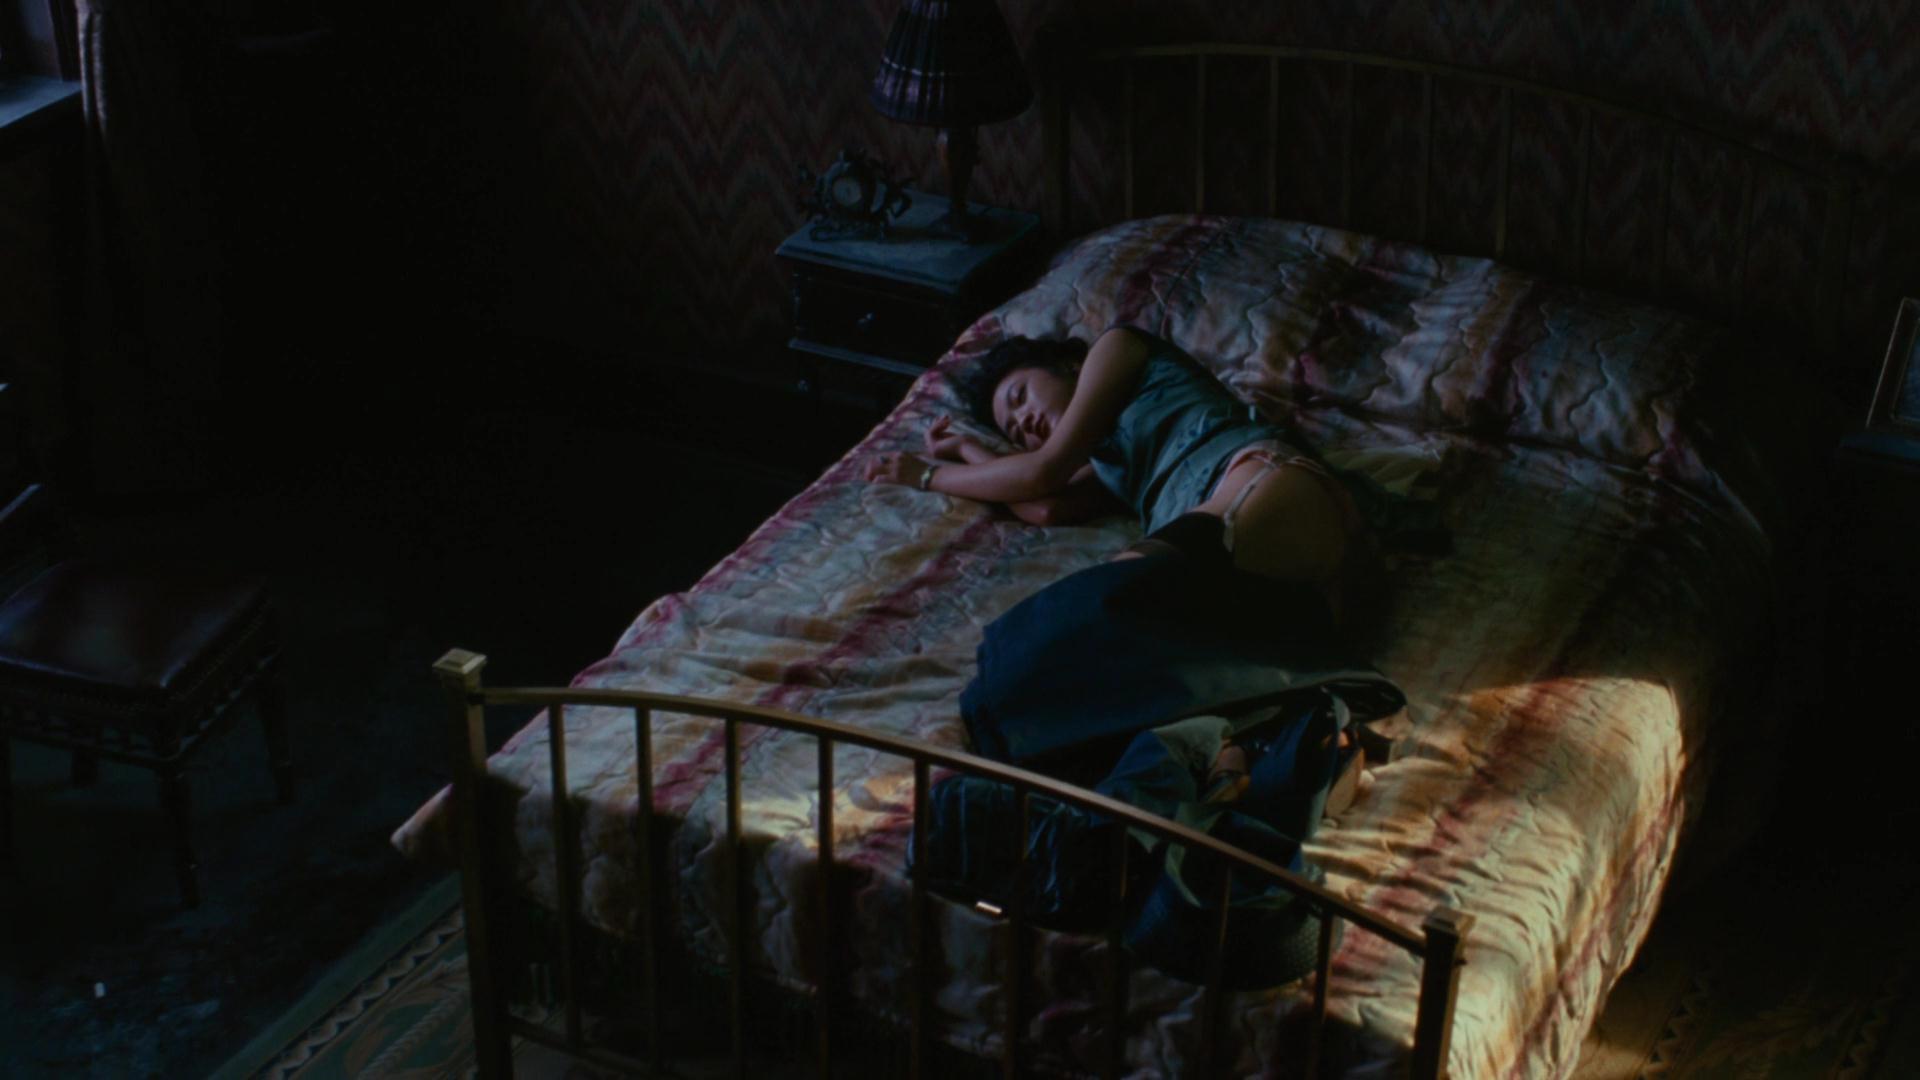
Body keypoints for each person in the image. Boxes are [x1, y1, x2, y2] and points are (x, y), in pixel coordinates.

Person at [863, 325, 1381, 634]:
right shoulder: (1108, 459)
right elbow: (1045, 505)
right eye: (1015, 431)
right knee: (1073, 642)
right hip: (1233, 552)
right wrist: (971, 450)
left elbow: (1043, 472)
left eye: (1020, 397)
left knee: (1089, 613)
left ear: (1068, 364)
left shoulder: (1118, 348)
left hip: (1263, 484)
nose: (1025, 423)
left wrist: (929, 474)